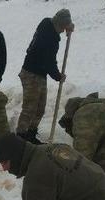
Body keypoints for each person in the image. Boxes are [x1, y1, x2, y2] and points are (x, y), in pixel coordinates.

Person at [17, 9, 74, 144]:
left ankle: (30, 134)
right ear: (59, 25)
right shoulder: (49, 38)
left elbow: (48, 60)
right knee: (30, 108)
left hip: (40, 74)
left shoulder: (47, 23)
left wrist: (69, 26)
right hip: (31, 73)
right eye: (63, 28)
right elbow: (48, 61)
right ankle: (20, 138)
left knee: (40, 108)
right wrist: (58, 76)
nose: (62, 31)